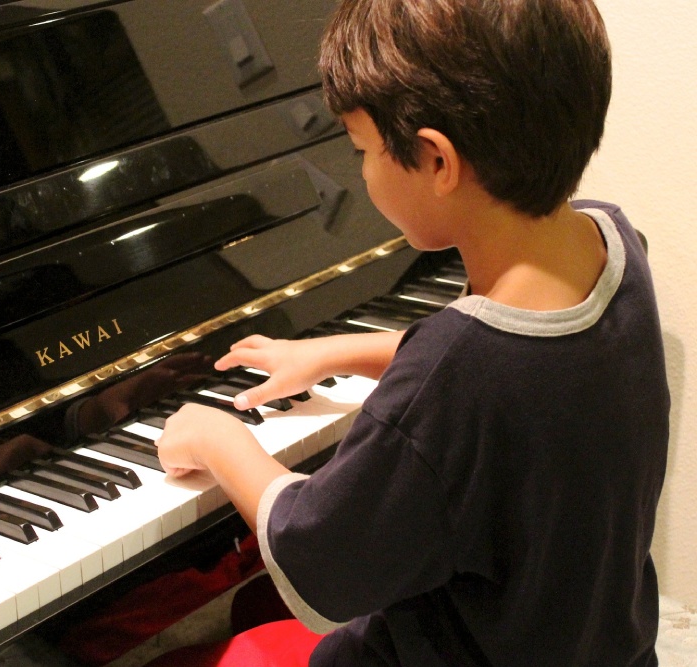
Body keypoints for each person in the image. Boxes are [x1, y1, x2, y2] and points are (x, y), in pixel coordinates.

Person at [153, 0, 670, 665]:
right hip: (593, 641)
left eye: (361, 150)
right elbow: (519, 380)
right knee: (250, 613)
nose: (362, 171)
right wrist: (337, 351)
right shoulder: (611, 241)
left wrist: (218, 439)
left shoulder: (456, 374)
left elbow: (320, 562)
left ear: (435, 160)